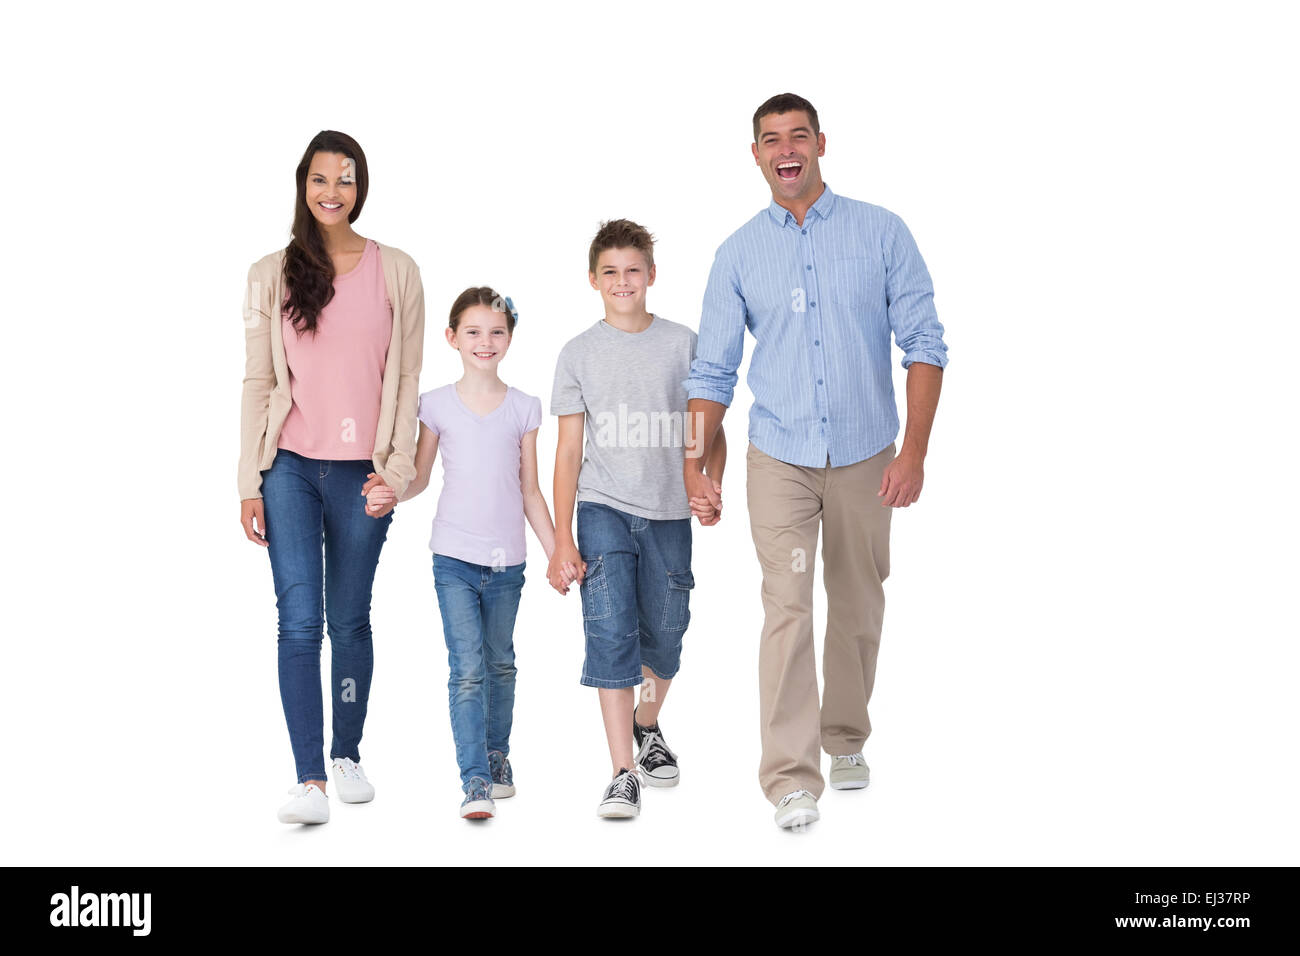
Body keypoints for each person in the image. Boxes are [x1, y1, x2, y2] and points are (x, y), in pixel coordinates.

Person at [682, 93, 949, 829]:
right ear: (757, 155)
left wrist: (916, 452)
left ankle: (846, 737)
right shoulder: (737, 253)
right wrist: (694, 466)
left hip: (868, 454)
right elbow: (711, 374)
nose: (785, 148)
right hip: (781, 460)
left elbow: (924, 342)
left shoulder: (881, 231)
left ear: (821, 143)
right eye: (771, 139)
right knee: (788, 607)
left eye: (798, 134)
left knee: (860, 599)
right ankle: (791, 777)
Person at [238, 130, 425, 825]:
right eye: (320, 179)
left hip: (362, 473)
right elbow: (258, 379)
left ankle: (346, 754)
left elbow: (406, 378)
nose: (332, 192)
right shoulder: (270, 273)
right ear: (303, 184)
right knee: (299, 621)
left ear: (361, 187)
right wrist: (247, 481)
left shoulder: (397, 269)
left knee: (349, 619)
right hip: (288, 467)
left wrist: (397, 471)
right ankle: (309, 779)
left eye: (345, 180)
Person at [368, 288, 571, 821]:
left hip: (509, 565)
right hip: (453, 559)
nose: (486, 342)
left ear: (510, 338)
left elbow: (530, 490)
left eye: (497, 331)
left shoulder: (525, 408)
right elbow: (419, 475)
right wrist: (392, 489)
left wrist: (556, 553)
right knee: (468, 670)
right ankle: (474, 778)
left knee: (501, 664)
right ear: (452, 337)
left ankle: (498, 756)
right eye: (474, 332)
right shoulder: (434, 404)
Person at [549, 220, 725, 818]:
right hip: (603, 508)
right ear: (593, 280)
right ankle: (622, 770)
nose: (622, 281)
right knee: (609, 629)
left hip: (670, 510)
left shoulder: (686, 344)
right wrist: (561, 539)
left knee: (667, 631)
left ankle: (648, 723)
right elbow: (569, 453)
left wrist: (710, 483)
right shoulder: (577, 354)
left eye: (633, 270)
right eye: (610, 272)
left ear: (651, 274)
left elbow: (709, 433)